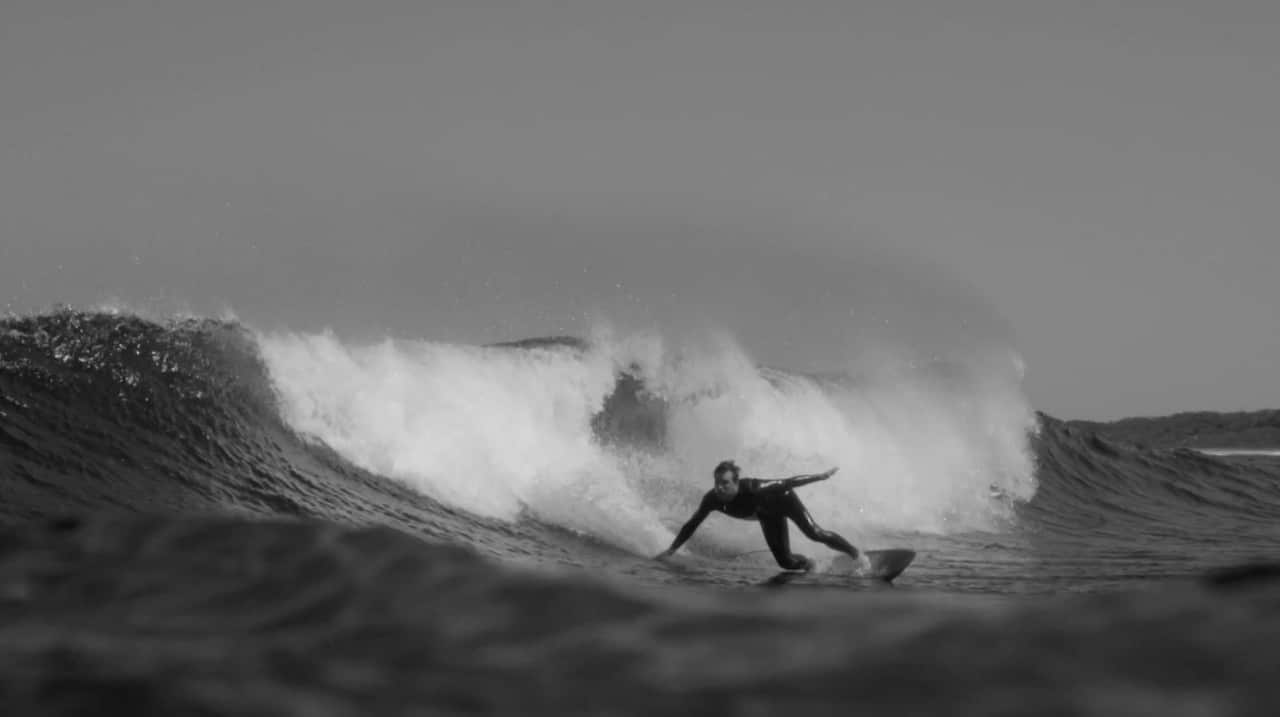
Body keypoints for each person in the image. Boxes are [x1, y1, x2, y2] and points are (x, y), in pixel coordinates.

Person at [656, 459, 872, 573]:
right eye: (717, 483)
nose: (720, 488)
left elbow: (788, 482)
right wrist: (672, 549)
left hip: (784, 500)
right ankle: (810, 565)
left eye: (725, 483)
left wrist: (820, 476)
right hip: (766, 515)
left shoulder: (754, 488)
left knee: (813, 533)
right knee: (785, 562)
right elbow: (692, 524)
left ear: (736, 482)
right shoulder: (712, 500)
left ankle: (857, 555)